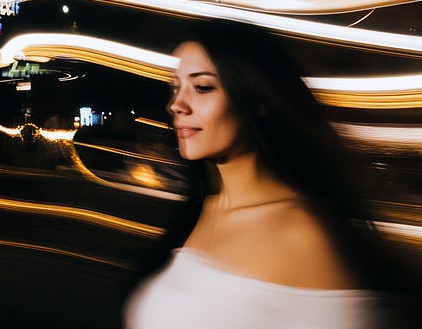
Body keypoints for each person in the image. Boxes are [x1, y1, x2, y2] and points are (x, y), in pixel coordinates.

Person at [124, 18, 399, 328]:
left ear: (257, 100)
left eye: (202, 87)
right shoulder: (202, 210)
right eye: (175, 88)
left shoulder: (301, 232)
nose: (176, 104)